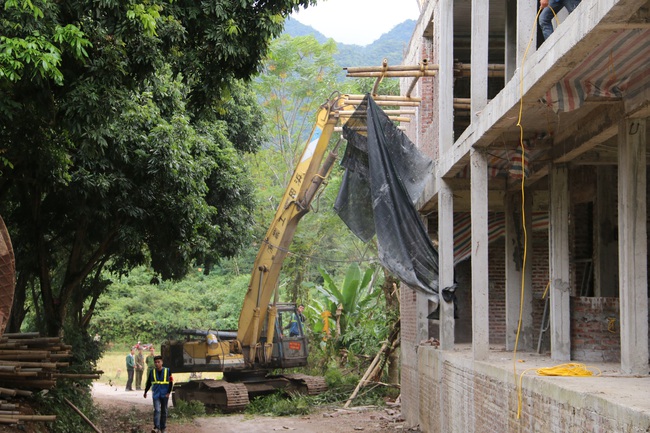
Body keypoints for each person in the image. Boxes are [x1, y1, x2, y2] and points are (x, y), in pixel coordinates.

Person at [144, 355, 173, 433]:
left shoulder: (168, 371)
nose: (157, 364)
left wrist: (168, 392)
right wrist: (145, 392)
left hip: (164, 394)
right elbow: (149, 383)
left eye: (158, 362)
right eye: (155, 362)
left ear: (162, 362)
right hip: (156, 394)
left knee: (164, 411)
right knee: (157, 410)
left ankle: (163, 427)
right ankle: (156, 427)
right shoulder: (152, 372)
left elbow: (171, 382)